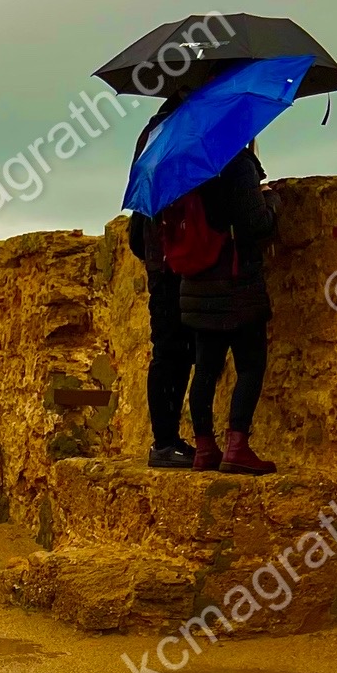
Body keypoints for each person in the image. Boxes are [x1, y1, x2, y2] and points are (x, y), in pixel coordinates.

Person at [178, 141, 281, 475]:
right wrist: (271, 198)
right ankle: (237, 447)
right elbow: (257, 225)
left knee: (205, 369)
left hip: (196, 284)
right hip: (237, 284)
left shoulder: (185, 162)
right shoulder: (236, 162)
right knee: (250, 366)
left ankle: (205, 447)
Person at [129, 95, 197, 470]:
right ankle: (166, 442)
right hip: (181, 259)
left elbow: (137, 229)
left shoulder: (153, 132)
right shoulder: (192, 127)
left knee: (169, 352)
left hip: (161, 261)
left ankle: (166, 441)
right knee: (178, 353)